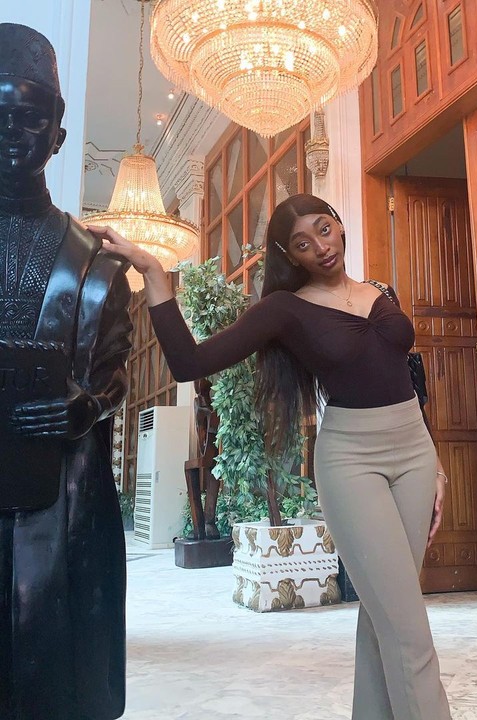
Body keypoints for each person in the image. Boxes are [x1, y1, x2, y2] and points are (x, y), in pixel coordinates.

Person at [90, 192, 453, 720]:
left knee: (387, 617)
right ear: (290, 255)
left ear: (339, 224)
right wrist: (153, 272)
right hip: (352, 460)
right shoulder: (286, 310)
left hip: (415, 451)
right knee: (409, 627)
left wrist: (435, 462)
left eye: (324, 229)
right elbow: (189, 362)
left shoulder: (380, 292)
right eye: (302, 244)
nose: (320, 247)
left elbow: (409, 378)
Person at [0, 23, 132, 720]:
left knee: (56, 668)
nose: (11, 132)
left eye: (28, 117)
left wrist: (88, 405)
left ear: (57, 133)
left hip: (62, 487)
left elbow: (116, 373)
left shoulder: (96, 264)